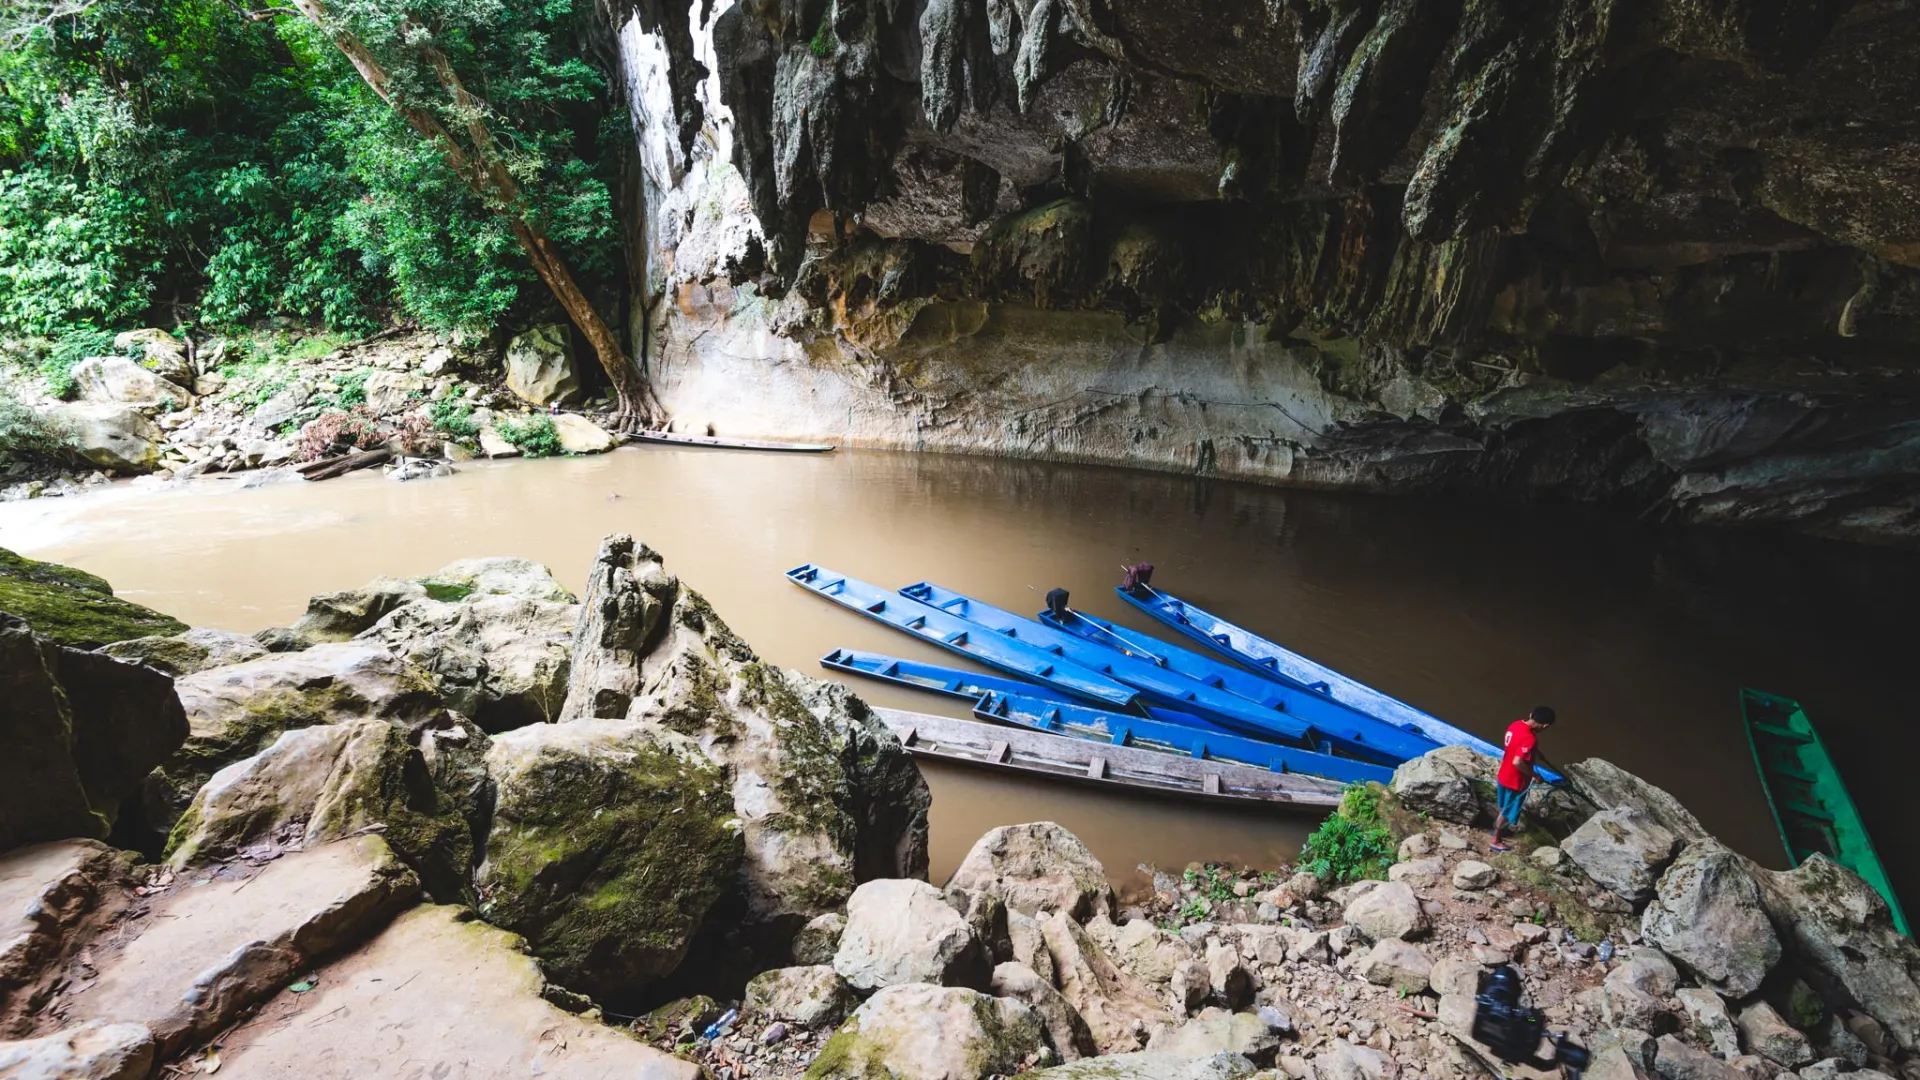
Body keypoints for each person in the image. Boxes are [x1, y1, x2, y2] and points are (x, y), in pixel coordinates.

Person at [1489, 705, 1555, 851]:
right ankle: (1496, 840)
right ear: (1545, 725)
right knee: (1508, 810)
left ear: (1531, 714)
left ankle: (1496, 830)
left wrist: (1537, 753)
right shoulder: (1530, 739)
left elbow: (1519, 744)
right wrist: (1535, 775)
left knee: (1502, 805)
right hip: (1516, 780)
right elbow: (1518, 761)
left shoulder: (1516, 724)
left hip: (1504, 774)